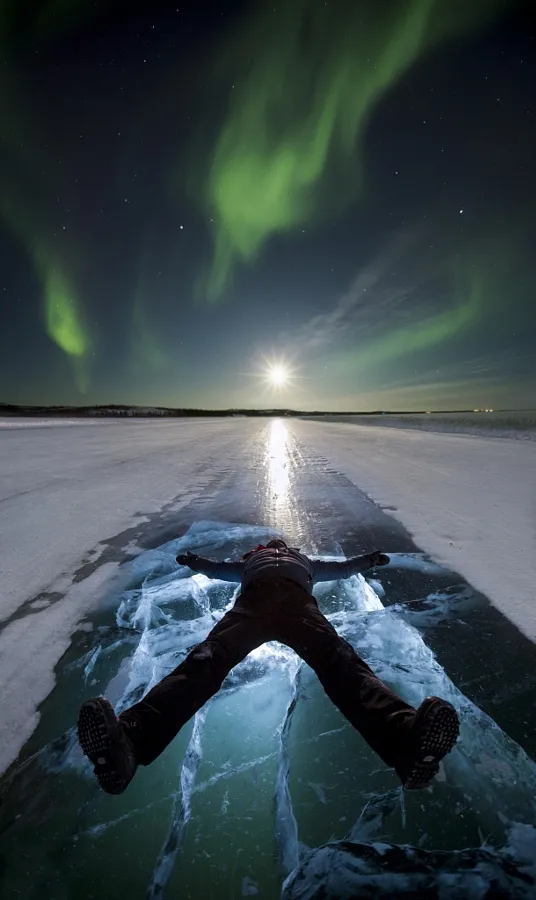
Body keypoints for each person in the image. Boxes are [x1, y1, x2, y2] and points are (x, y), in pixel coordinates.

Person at [78, 539, 459, 795]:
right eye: (271, 544)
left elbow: (343, 568)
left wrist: (370, 561)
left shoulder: (307, 563)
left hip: (298, 606)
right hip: (253, 605)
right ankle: (127, 745)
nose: (276, 544)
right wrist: (192, 561)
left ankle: (406, 744)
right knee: (203, 663)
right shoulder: (248, 564)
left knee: (341, 663)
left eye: (281, 544)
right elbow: (214, 569)